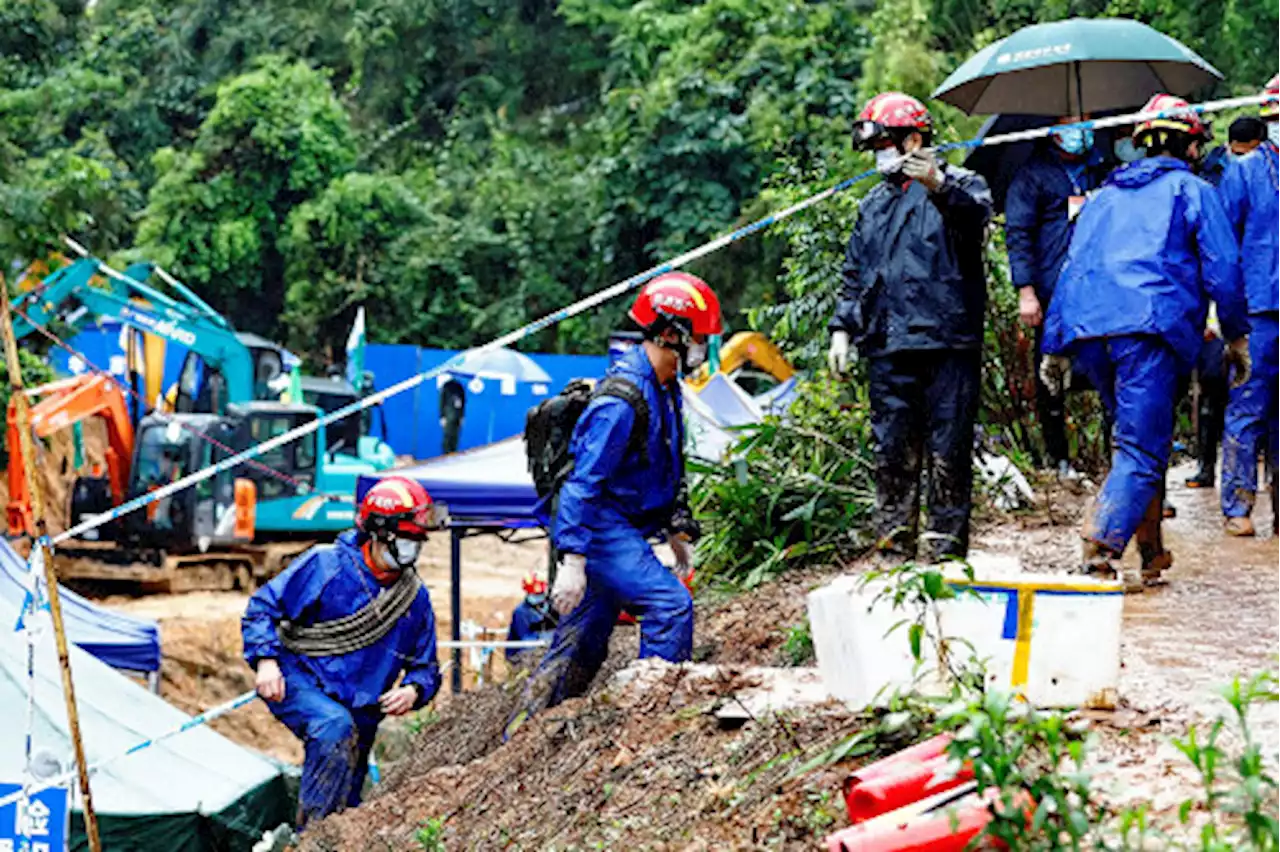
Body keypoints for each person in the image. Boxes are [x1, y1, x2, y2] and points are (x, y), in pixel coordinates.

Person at [1041, 94, 1250, 590]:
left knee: (1139, 439)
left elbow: (1069, 272)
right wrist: (1237, 336)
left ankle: (1152, 551)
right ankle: (1100, 546)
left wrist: (1054, 346)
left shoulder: (1102, 198)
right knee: (1140, 447)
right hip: (1149, 333)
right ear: (1192, 146)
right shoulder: (1192, 191)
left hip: (1094, 335)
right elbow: (1224, 267)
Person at [504, 272, 715, 738]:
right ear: (672, 334)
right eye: (700, 338)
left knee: (585, 634)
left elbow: (666, 463)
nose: (705, 348)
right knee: (670, 605)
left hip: (625, 526)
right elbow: (582, 485)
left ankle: (526, 733)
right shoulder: (620, 401)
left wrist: (677, 527)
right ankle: (647, 723)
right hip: (601, 528)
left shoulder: (665, 388)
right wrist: (574, 559)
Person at [827, 92, 993, 562]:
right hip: (888, 345)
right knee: (893, 454)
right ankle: (893, 552)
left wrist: (939, 184)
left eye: (885, 144)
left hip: (948, 342)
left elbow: (976, 219)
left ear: (914, 140)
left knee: (949, 452)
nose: (879, 156)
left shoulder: (963, 184)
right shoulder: (873, 205)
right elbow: (855, 274)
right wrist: (843, 327)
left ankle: (943, 555)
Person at [241, 476, 442, 826]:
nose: (414, 548)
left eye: (418, 540)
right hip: (301, 681)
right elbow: (262, 608)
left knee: (347, 796)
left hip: (362, 708)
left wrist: (414, 689)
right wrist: (266, 661)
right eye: (408, 538)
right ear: (381, 533)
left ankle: (331, 835)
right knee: (332, 726)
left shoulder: (414, 598)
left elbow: (426, 666)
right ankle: (313, 839)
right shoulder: (326, 564)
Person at [1005, 117, 1108, 477]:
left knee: (1108, 372)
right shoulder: (1032, 176)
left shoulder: (1102, 167)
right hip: (1052, 293)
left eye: (1084, 123)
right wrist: (1026, 291)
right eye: (1069, 125)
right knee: (1051, 374)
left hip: (1100, 290)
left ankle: (1114, 458)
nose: (1079, 131)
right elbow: (1018, 235)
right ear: (1052, 130)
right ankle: (1059, 459)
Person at [1219, 75, 1280, 536]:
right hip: (1257, 306)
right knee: (1248, 404)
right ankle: (1237, 506)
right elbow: (1223, 242)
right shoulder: (1244, 170)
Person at [505, 570, 556, 664]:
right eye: (534, 594)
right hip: (525, 655)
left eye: (539, 594)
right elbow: (526, 639)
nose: (537, 597)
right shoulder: (521, 612)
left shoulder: (552, 607)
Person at [439, 377, 466, 454]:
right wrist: (442, 416)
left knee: (455, 435)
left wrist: (462, 416)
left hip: (456, 415)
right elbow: (442, 402)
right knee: (448, 435)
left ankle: (453, 452)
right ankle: (447, 452)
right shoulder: (446, 386)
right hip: (448, 415)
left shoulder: (459, 387)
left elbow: (463, 403)